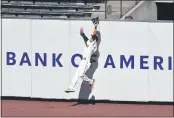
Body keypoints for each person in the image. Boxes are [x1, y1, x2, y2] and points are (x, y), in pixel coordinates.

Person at [65, 25, 99, 93]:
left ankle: (90, 81)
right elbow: (86, 39)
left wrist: (95, 27)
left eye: (92, 36)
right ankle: (71, 87)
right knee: (76, 74)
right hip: (83, 60)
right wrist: (82, 34)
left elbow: (93, 36)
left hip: (86, 61)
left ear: (94, 39)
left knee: (80, 74)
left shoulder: (93, 44)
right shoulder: (90, 42)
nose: (91, 37)